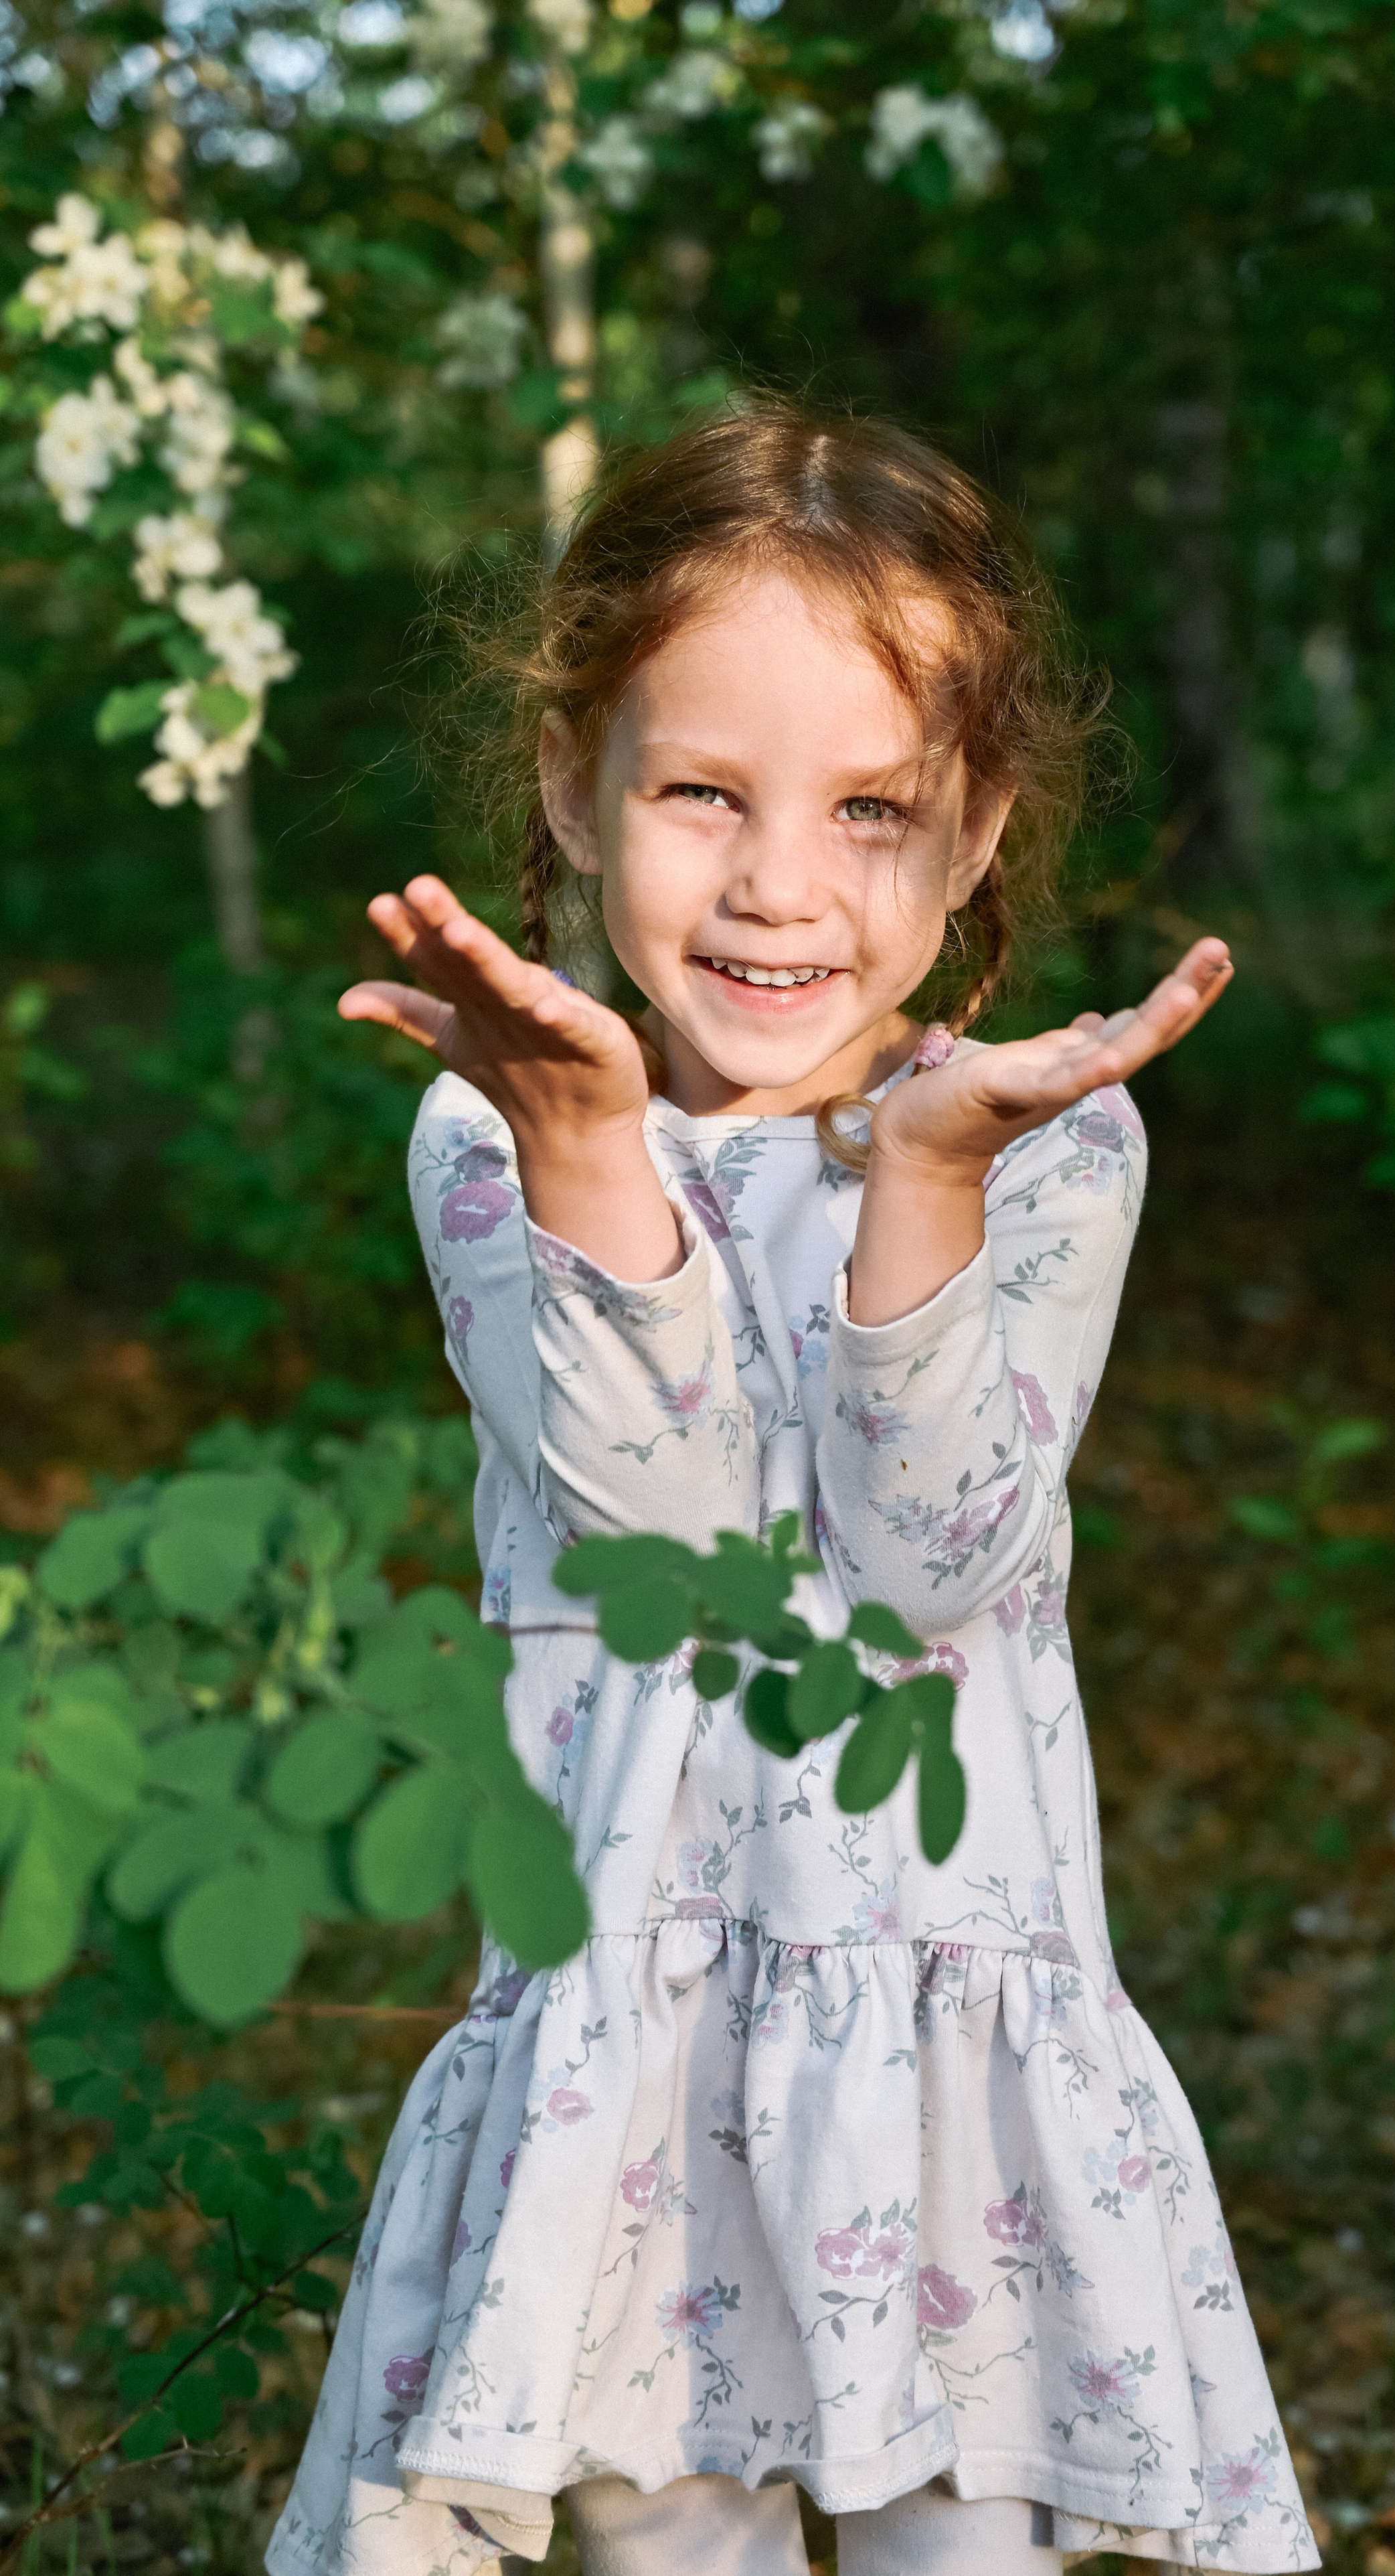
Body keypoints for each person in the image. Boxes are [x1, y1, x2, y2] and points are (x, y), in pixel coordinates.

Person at [265, 402, 1317, 2576]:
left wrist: (922, 1191)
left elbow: (937, 1556)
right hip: (635, 2036)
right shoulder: (500, 1134)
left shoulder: (1043, 1140)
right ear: (577, 785)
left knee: (959, 2546)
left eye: (869, 810)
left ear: (976, 835)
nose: (778, 884)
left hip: (940, 2038)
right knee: (677, 2547)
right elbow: (665, 1548)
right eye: (700, 795)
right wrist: (584, 1150)